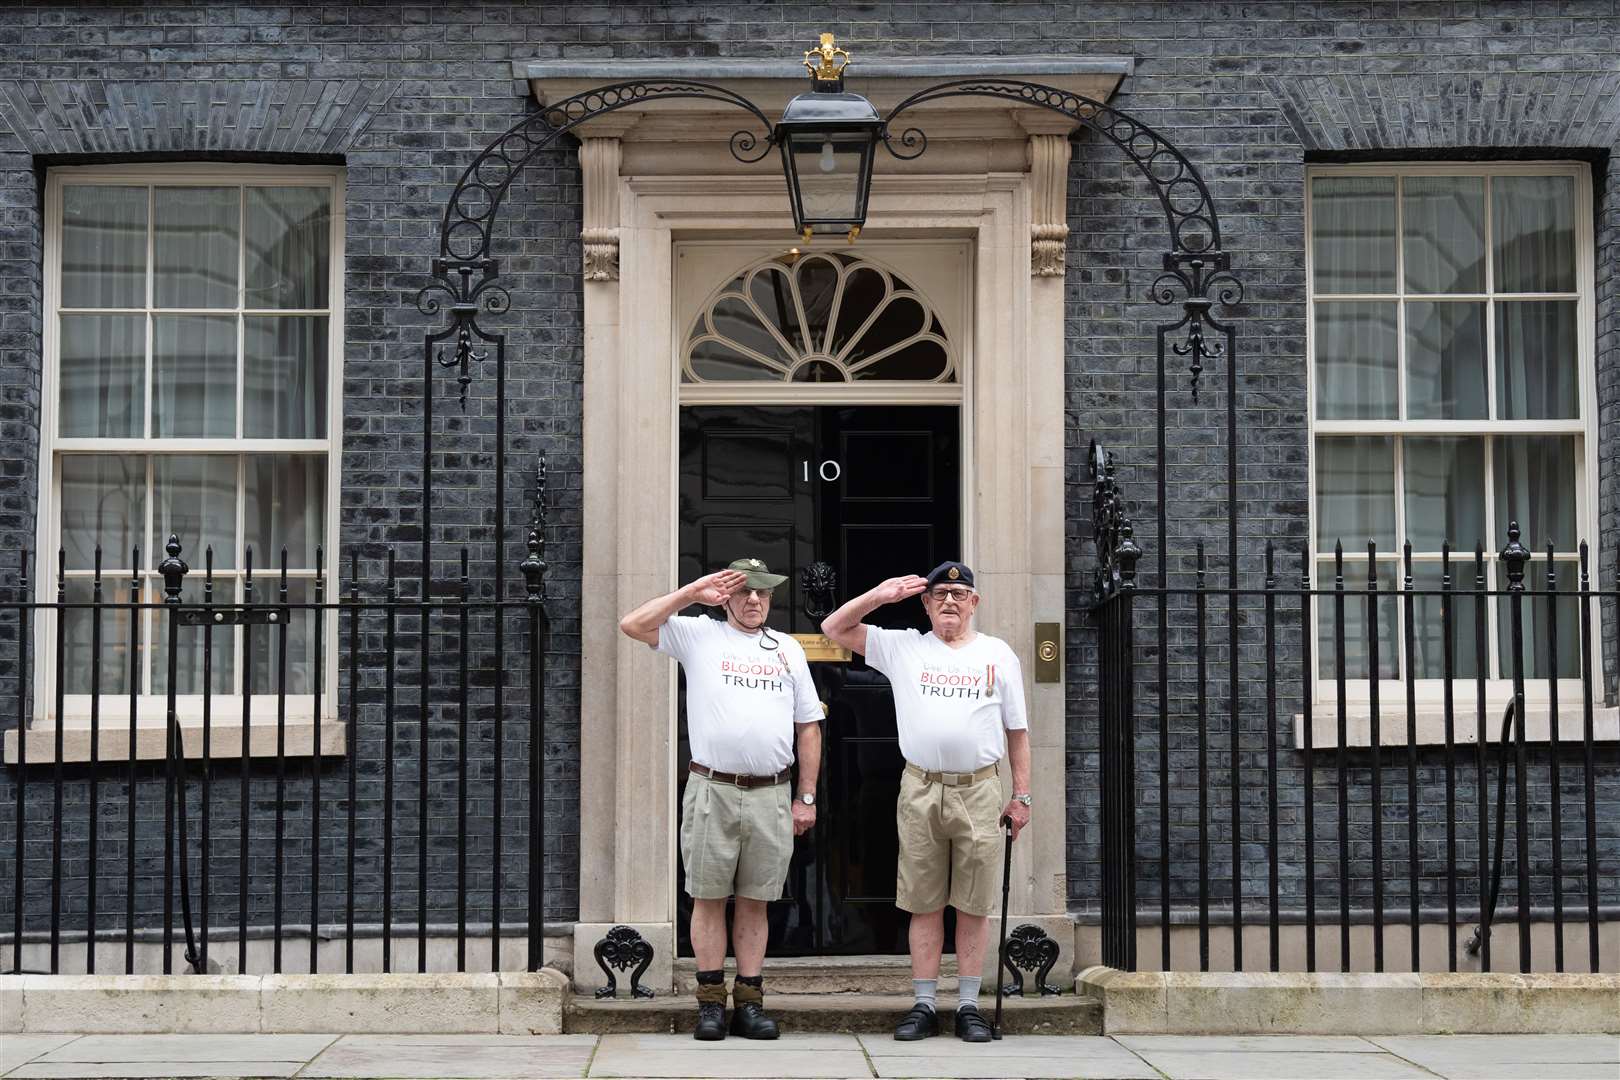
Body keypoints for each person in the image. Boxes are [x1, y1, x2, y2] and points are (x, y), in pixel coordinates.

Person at [820, 561, 1030, 1043]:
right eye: (939, 596)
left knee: (974, 904)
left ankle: (971, 1006)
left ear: (974, 603)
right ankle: (924, 1004)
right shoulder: (904, 647)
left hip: (979, 789)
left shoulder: (998, 654)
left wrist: (1021, 796)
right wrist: (881, 593)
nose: (950, 603)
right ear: (926, 604)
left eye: (959, 595)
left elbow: (1017, 732)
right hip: (920, 788)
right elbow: (834, 627)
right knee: (924, 901)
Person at [618, 557, 822, 1041]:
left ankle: (749, 1004)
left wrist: (806, 796)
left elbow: (808, 726)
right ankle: (710, 1004)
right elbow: (632, 624)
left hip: (771, 791)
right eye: (743, 592)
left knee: (756, 901)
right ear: (726, 596)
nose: (754, 600)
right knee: (708, 898)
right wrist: (692, 592)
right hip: (712, 788)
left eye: (763, 593)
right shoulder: (698, 634)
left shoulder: (788, 649)